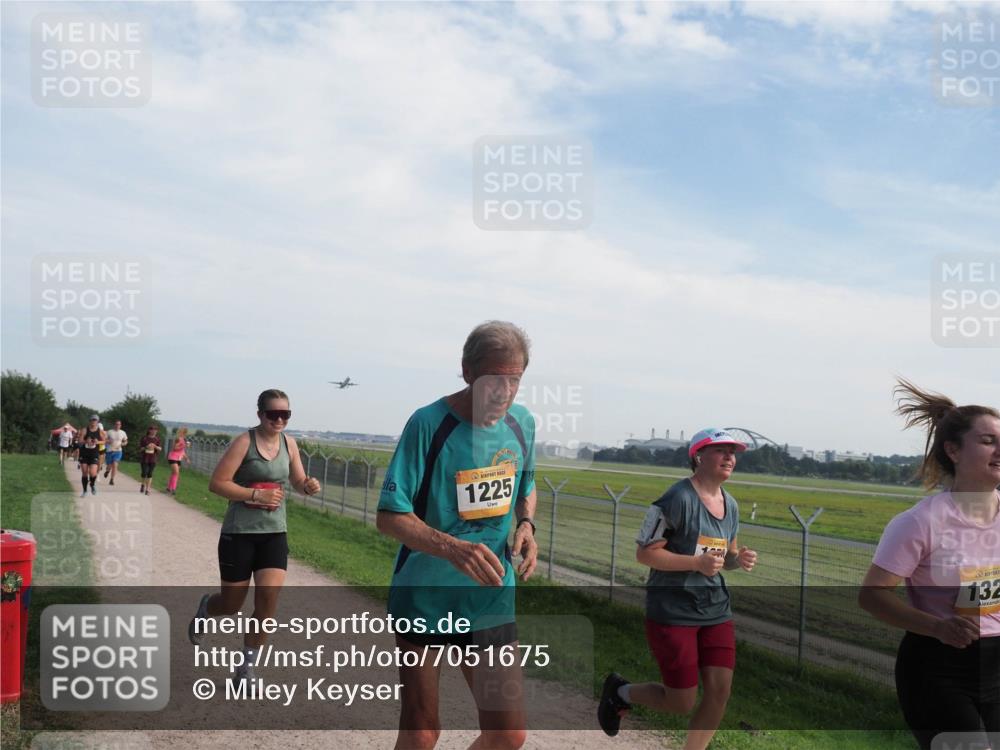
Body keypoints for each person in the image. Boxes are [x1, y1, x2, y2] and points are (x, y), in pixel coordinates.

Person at [376, 321, 539, 750]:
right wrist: (453, 549)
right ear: (467, 371)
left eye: (515, 380)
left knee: (508, 734)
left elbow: (527, 487)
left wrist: (526, 525)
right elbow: (390, 517)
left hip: (489, 596)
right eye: (494, 379)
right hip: (425, 596)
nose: (504, 391)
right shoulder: (428, 424)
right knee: (422, 730)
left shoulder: (522, 424)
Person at [859, 379, 999, 750]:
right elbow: (872, 596)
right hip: (939, 668)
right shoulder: (920, 522)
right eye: (988, 441)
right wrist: (938, 627)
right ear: (953, 450)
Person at [599, 428, 758, 750]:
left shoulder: (732, 505)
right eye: (721, 450)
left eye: (733, 452)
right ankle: (620, 692)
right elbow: (646, 553)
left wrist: (737, 559)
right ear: (698, 456)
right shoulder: (676, 499)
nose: (730, 457)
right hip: (672, 611)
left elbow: (722, 558)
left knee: (719, 692)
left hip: (715, 609)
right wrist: (695, 564)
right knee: (681, 701)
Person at [188, 389, 320, 684]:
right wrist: (255, 494)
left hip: (275, 533)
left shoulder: (290, 444)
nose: (279, 419)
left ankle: (245, 669)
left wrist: (308, 485)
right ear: (260, 414)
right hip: (239, 533)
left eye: (285, 414)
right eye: (273, 414)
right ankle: (208, 607)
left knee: (268, 600)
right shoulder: (244, 442)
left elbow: (297, 481)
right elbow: (217, 484)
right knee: (232, 604)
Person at [76, 416, 107, 497]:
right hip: (84, 453)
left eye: (95, 420)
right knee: (85, 473)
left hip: (94, 453)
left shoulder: (100, 431)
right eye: (92, 420)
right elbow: (79, 442)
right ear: (89, 421)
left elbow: (104, 441)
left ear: (97, 421)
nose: (93, 421)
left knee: (93, 473)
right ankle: (85, 491)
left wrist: (97, 442)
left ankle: (92, 485)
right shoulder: (85, 430)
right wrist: (86, 441)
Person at [138, 425, 162, 495]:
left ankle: (147, 489)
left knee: (150, 474)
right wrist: (146, 447)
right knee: (144, 473)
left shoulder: (157, 439)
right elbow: (140, 449)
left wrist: (155, 446)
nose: (154, 431)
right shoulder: (144, 438)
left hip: (153, 459)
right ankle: (142, 484)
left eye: (156, 430)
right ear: (149, 430)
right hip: (144, 458)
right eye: (153, 430)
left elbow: (160, 449)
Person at [166, 427, 191, 494]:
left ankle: (169, 488)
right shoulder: (178, 439)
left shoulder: (184, 440)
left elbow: (182, 451)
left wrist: (186, 458)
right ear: (180, 432)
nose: (184, 434)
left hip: (179, 458)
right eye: (183, 432)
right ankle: (173, 489)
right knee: (176, 472)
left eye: (185, 433)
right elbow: (174, 448)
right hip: (173, 457)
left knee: (174, 473)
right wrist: (184, 446)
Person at [104, 420, 128, 485]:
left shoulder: (123, 432)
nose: (117, 425)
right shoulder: (109, 432)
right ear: (114, 425)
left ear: (120, 425)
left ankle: (112, 479)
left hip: (118, 451)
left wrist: (123, 444)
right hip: (109, 450)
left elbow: (126, 441)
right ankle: (107, 471)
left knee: (115, 465)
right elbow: (104, 439)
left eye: (119, 424)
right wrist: (108, 441)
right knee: (109, 466)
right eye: (116, 424)